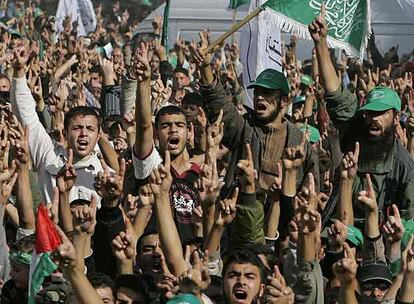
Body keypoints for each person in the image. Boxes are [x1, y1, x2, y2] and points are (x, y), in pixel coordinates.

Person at [310, 6, 414, 222]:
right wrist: (321, 43)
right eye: (370, 112)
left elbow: (407, 219)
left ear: (396, 118)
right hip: (338, 226)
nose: (373, 118)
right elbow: (335, 93)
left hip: (375, 240)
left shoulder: (403, 165)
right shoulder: (356, 127)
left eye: (381, 113)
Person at [11, 45, 113, 206]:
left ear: (99, 135)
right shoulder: (49, 155)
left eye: (90, 129)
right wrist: (18, 72)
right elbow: (27, 117)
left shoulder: (107, 170)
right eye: (77, 128)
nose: (84, 134)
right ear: (65, 133)